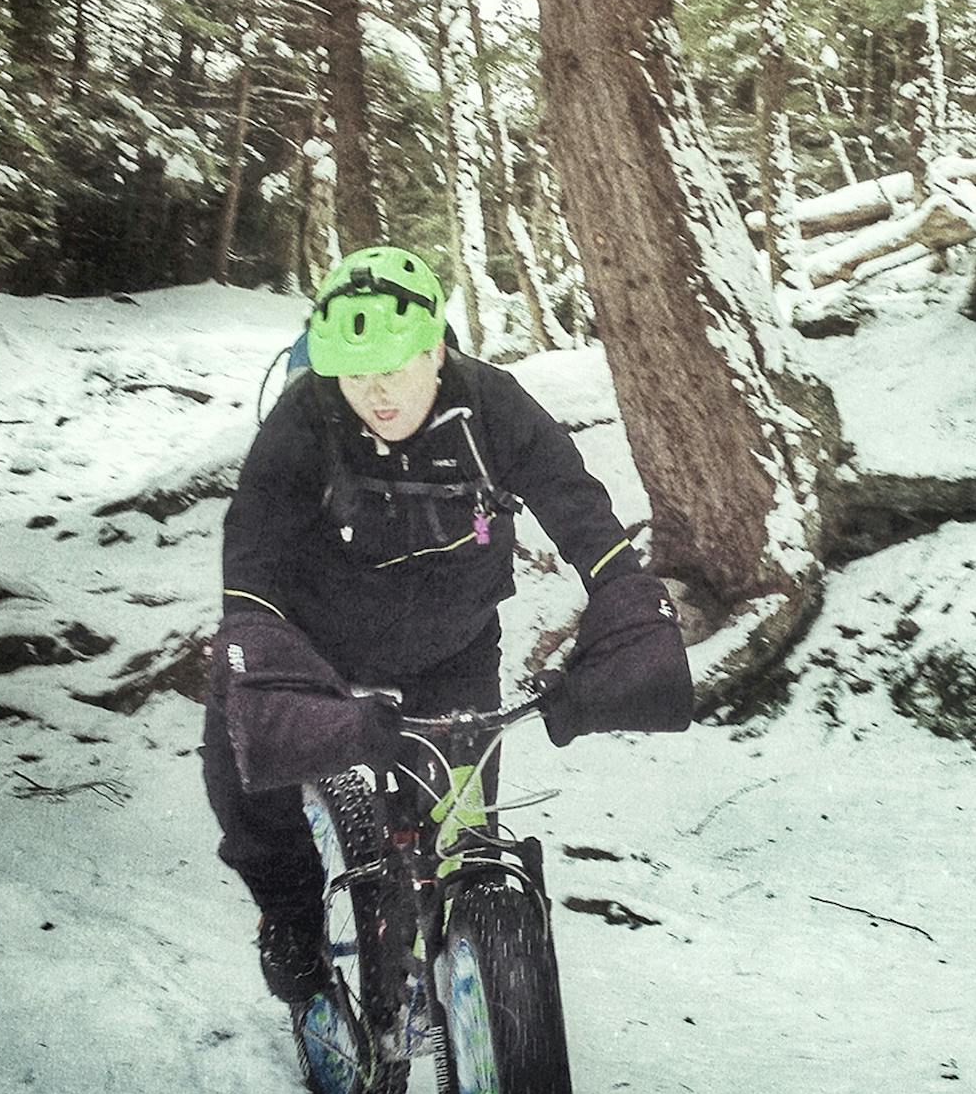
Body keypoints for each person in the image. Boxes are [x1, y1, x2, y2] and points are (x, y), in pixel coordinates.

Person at [203, 243, 690, 1007]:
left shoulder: (492, 405)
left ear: (435, 348)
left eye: (396, 367)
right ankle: (292, 917)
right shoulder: (305, 418)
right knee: (238, 746)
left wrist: (624, 600)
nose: (377, 392)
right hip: (321, 650)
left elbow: (578, 508)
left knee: (464, 844)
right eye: (357, 373)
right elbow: (254, 555)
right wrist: (258, 652)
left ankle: (475, 974)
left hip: (452, 652)